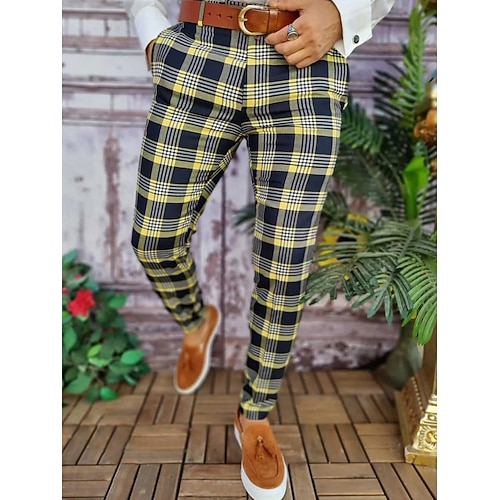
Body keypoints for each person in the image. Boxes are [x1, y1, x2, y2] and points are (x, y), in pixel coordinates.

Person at [124, 0, 394, 498]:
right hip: (199, 50)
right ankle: (195, 321)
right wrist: (151, 31)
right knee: (154, 240)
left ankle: (255, 414)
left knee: (284, 266)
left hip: (304, 62)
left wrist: (344, 12)